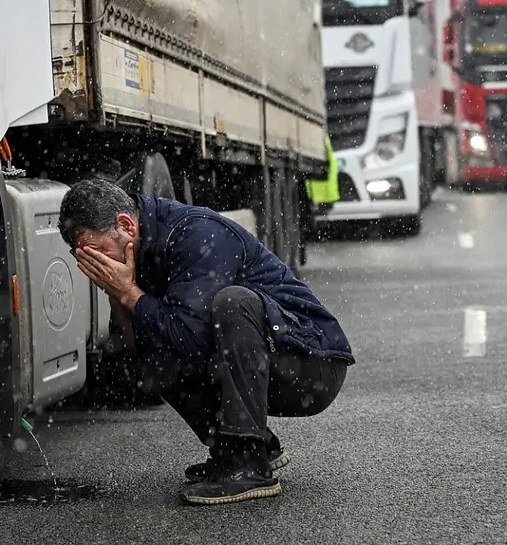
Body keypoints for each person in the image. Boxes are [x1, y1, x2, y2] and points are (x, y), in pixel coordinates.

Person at [58, 178, 354, 505]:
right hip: (264, 363)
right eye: (86, 260)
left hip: (312, 365)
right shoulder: (135, 251)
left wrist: (130, 292)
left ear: (126, 226)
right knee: (153, 347)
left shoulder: (195, 234)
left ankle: (247, 465)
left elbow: (190, 341)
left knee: (233, 303)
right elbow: (140, 350)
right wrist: (119, 295)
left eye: (98, 254)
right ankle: (242, 450)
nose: (97, 267)